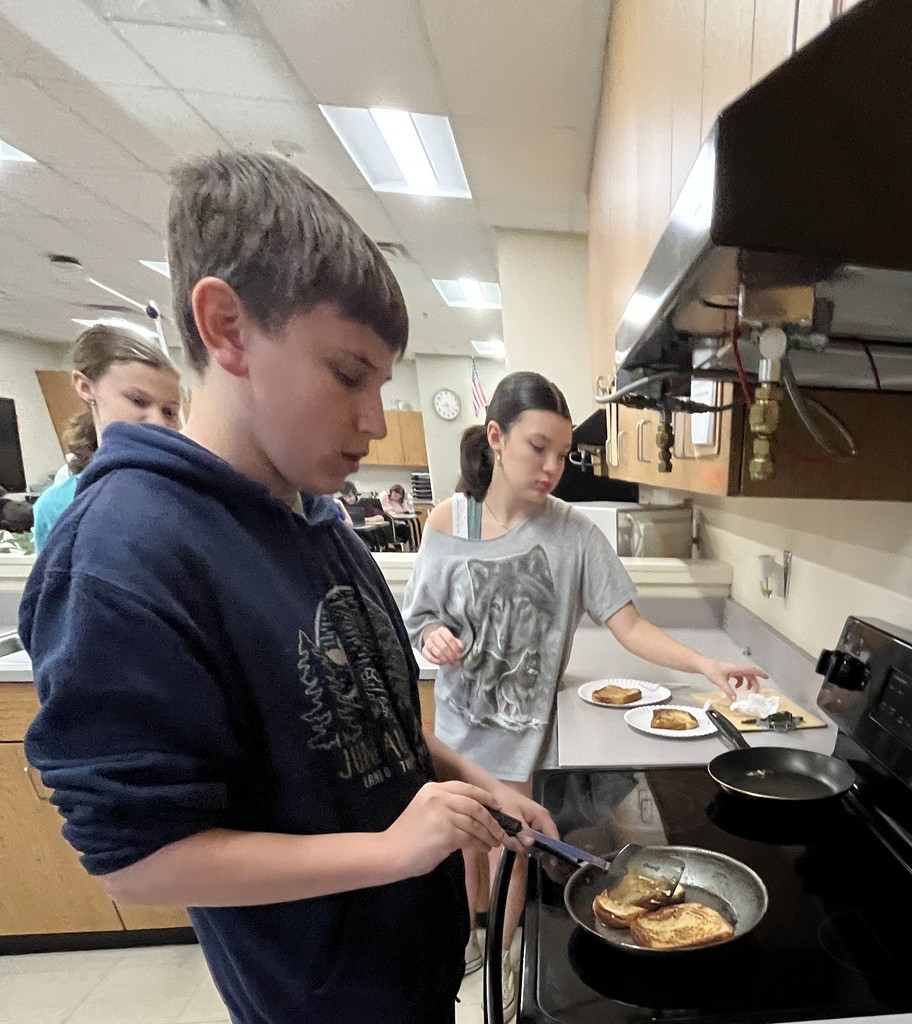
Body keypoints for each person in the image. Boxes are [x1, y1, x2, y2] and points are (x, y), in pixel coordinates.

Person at [19, 151, 557, 1024]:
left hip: (406, 973)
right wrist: (390, 854)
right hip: (317, 1001)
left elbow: (366, 728)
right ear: (226, 326)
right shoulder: (126, 549)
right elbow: (135, 858)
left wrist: (471, 781)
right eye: (350, 374)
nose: (377, 419)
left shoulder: (314, 520)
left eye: (381, 383)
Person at [401, 370, 767, 988]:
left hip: (526, 738)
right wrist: (431, 636)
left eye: (563, 454)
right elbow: (420, 621)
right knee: (466, 844)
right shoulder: (448, 521)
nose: (552, 467)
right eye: (537, 447)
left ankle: (505, 955)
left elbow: (629, 626)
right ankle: (466, 940)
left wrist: (706, 665)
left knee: (513, 851)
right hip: (461, 729)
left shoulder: (575, 535)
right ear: (496, 436)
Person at [31, 324, 182, 552]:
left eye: (169, 411)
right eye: (138, 401)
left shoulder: (183, 493)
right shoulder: (56, 505)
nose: (158, 422)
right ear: (85, 386)